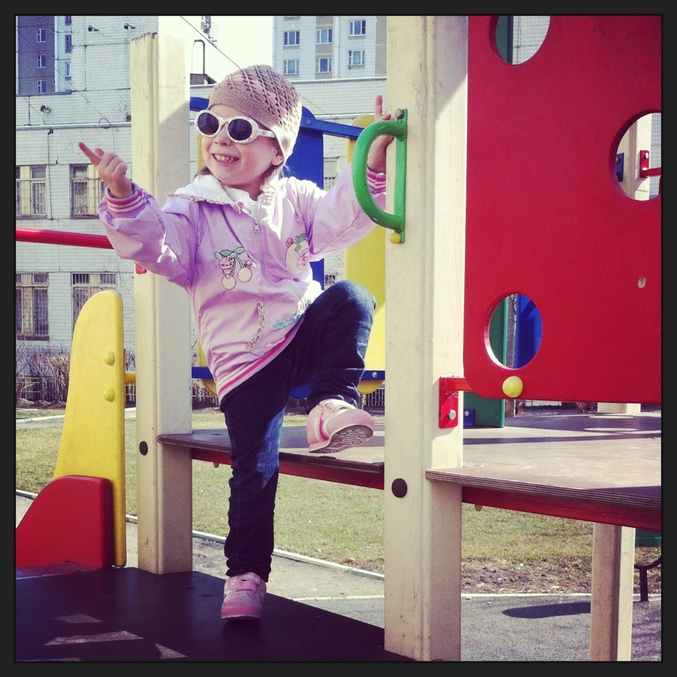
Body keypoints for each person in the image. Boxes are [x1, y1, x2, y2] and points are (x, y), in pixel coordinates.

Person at [79, 64, 392, 621]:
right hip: (244, 363)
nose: (221, 139)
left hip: (297, 333)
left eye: (241, 129)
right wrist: (123, 196)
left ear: (276, 150)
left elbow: (342, 220)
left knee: (352, 297)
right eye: (211, 124)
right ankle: (246, 575)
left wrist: (372, 160)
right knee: (255, 468)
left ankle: (329, 403)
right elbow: (159, 246)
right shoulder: (191, 207)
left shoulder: (296, 198)